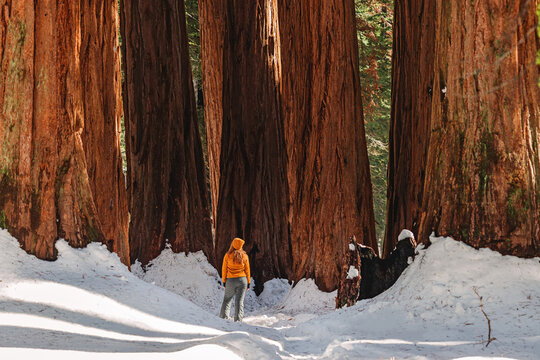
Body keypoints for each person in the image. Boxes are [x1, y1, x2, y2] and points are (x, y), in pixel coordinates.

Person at [219, 237, 250, 322]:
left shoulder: (227, 255)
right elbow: (247, 270)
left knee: (227, 299)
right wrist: (249, 283)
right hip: (242, 280)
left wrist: (224, 281)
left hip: (230, 280)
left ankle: (223, 318)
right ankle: (238, 320)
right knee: (239, 301)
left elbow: (224, 269)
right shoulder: (245, 256)